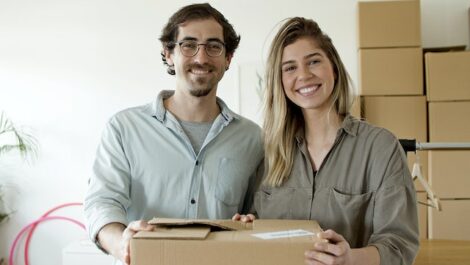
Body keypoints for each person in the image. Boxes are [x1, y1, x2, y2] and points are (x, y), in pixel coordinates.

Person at [84, 3, 263, 265]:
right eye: (188, 45)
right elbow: (102, 204)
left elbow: (254, 214)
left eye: (214, 46)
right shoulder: (124, 128)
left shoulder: (252, 138)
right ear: (169, 54)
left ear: (228, 58)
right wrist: (121, 242)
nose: (201, 58)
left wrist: (251, 223)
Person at [236, 17, 419, 265]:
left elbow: (399, 246)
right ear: (280, 81)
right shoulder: (270, 153)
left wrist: (350, 258)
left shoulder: (380, 148)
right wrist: (249, 229)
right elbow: (260, 227)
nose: (304, 75)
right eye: (290, 67)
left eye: (313, 61)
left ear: (333, 67)